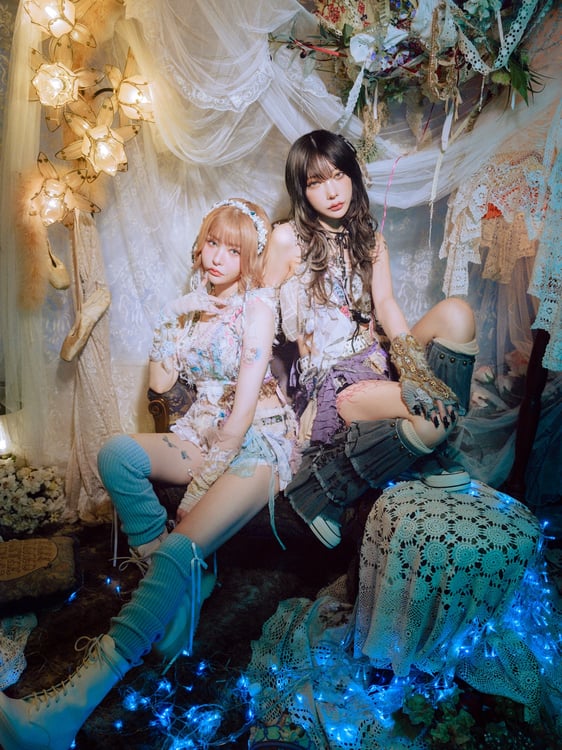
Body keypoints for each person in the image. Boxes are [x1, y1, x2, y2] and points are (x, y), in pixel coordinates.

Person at [0, 198, 300, 750]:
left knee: (180, 546)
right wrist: (172, 319)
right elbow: (162, 385)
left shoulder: (258, 305)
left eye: (233, 250)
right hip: (200, 431)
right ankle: (177, 584)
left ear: (251, 258)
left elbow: (242, 413)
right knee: (116, 453)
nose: (217, 257)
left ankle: (63, 712)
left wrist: (202, 488)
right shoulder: (193, 307)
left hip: (256, 439)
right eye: (212, 243)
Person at [264, 130, 479, 548]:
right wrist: (264, 392)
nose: (332, 191)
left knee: (457, 313)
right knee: (431, 419)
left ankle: (433, 447)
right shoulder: (286, 239)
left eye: (339, 175)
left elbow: (387, 305)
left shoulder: (370, 239)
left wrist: (415, 370)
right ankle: (322, 491)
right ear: (301, 190)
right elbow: (257, 314)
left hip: (376, 359)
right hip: (333, 380)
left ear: (353, 176)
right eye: (316, 182)